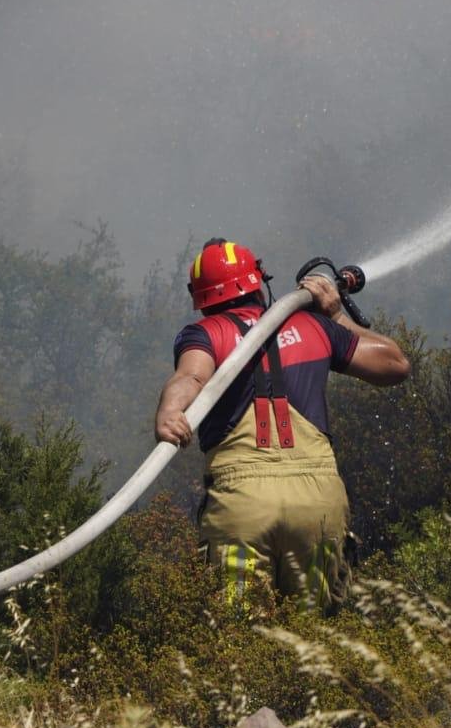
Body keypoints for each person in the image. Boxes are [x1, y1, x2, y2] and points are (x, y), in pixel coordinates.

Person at [153, 238, 410, 612]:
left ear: (201, 297)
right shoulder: (313, 326)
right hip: (318, 503)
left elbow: (191, 378)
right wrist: (337, 316)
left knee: (236, 642)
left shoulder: (206, 334)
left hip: (243, 507)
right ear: (259, 281)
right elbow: (395, 365)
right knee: (317, 638)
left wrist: (169, 412)